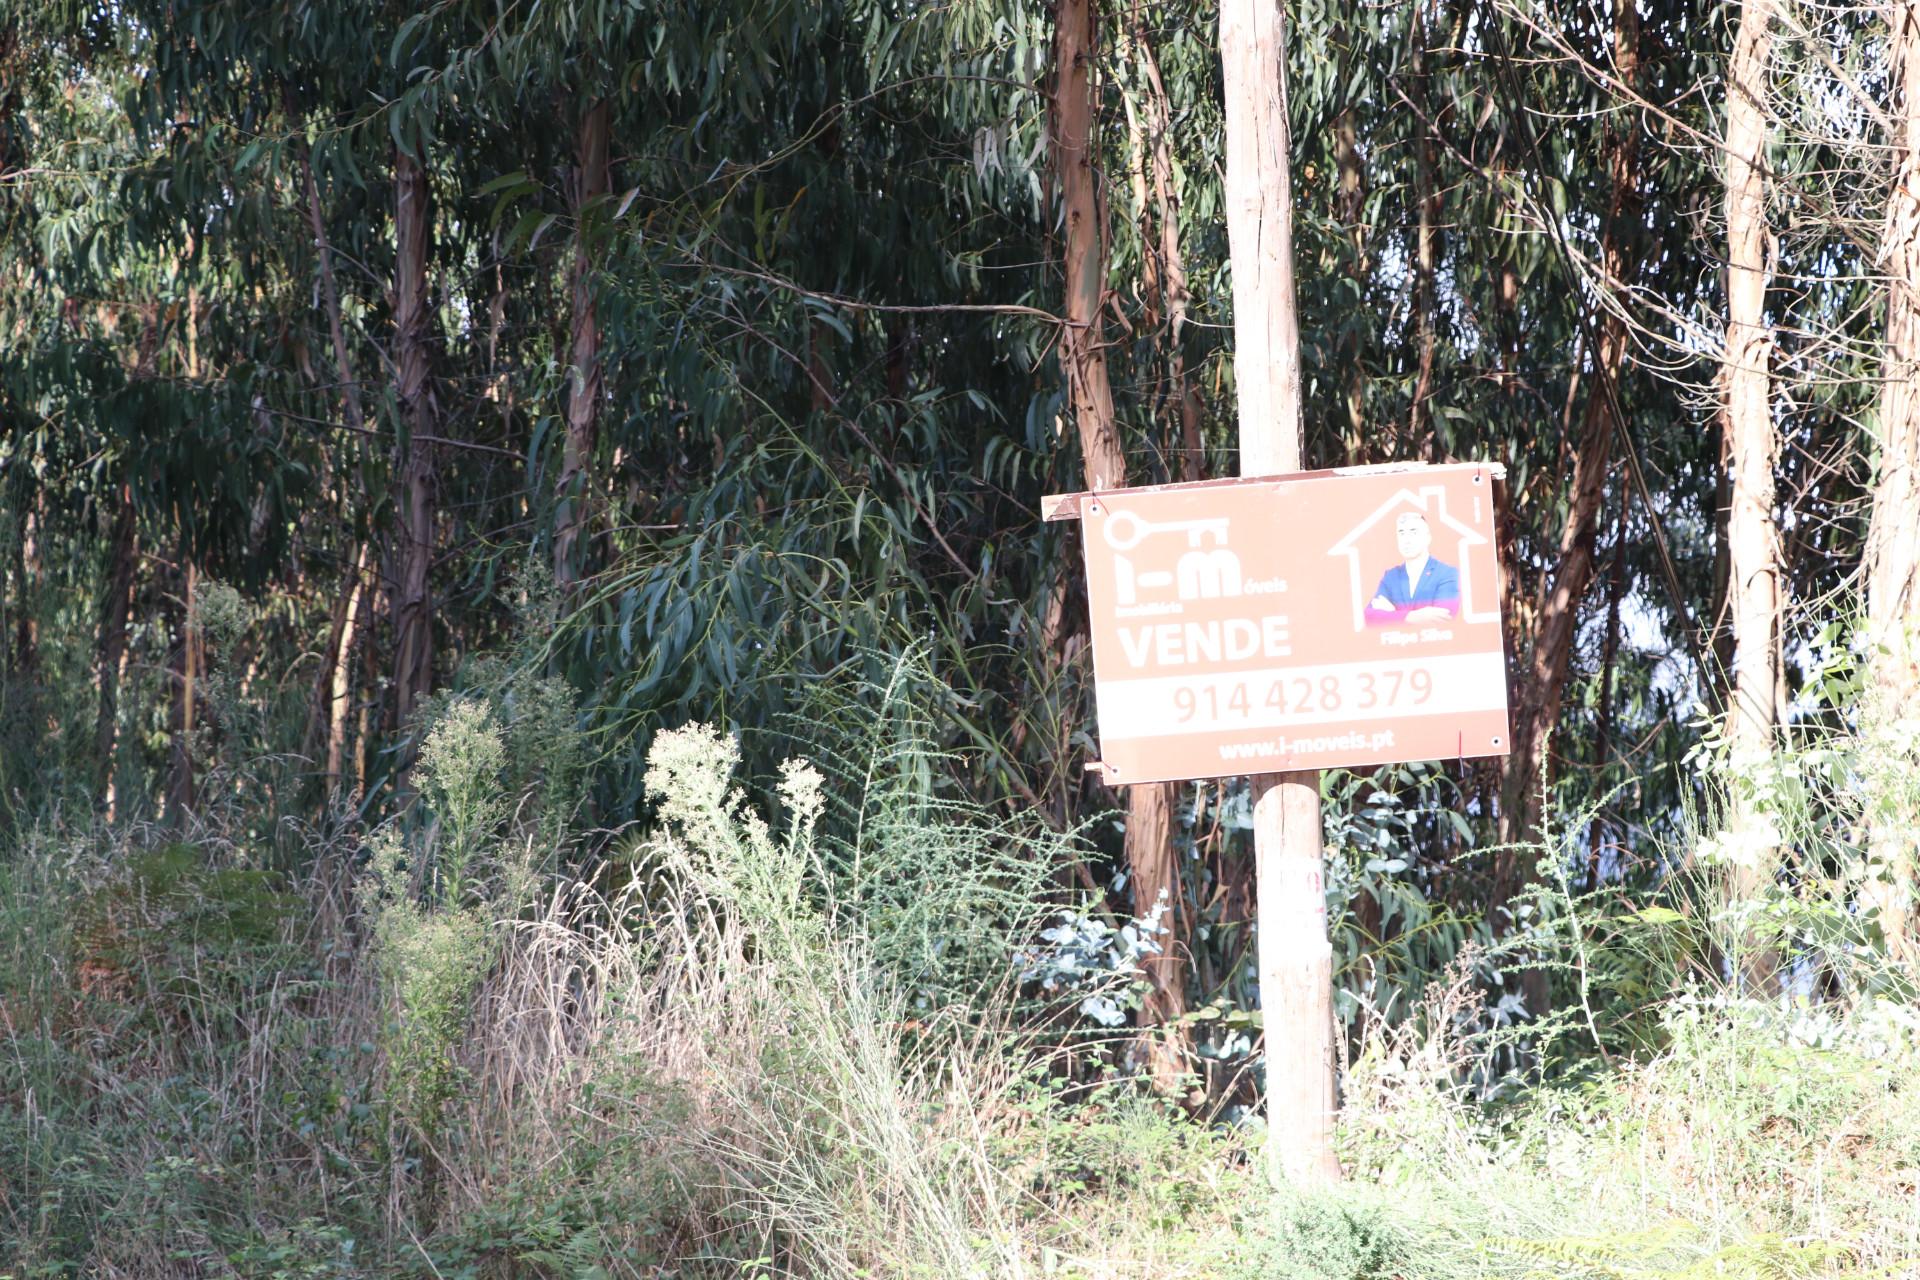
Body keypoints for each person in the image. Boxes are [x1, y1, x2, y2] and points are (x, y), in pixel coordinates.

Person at [1366, 512, 1459, 625]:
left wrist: (1393, 613)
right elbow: (1369, 616)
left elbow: (1444, 619)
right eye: (1401, 533)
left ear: (1427, 538)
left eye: (1414, 532)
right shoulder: (1391, 576)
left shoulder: (1447, 573)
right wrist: (1412, 617)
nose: (1406, 540)